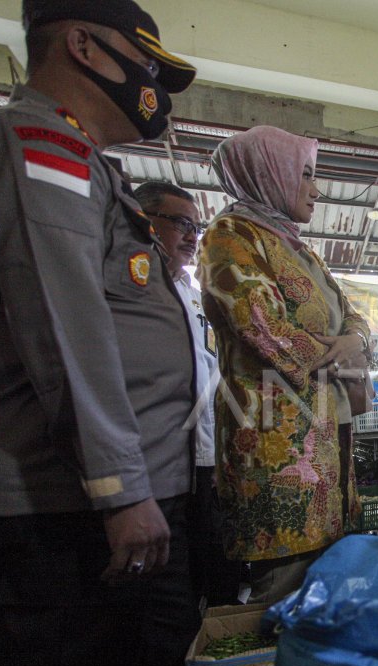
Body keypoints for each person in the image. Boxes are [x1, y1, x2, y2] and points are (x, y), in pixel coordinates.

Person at [0, 1, 199, 666]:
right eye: (145, 65)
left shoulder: (85, 162)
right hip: (69, 502)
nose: (154, 86)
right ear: (83, 47)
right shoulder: (38, 142)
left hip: (103, 497)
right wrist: (120, 487)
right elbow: (63, 321)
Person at [199, 126, 372, 606]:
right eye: (307, 176)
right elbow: (259, 322)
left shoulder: (299, 248)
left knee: (324, 578)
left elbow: (354, 312)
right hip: (276, 440)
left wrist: (355, 338)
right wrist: (339, 354)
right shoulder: (229, 236)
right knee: (283, 585)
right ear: (270, 175)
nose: (317, 190)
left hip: (326, 434)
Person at [135, 180, 239, 606]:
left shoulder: (195, 297)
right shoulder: (132, 287)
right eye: (181, 223)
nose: (193, 236)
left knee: (217, 569)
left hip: (200, 459)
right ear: (144, 222)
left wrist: (216, 454)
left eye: (197, 227)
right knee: (166, 588)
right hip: (155, 462)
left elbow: (209, 372)